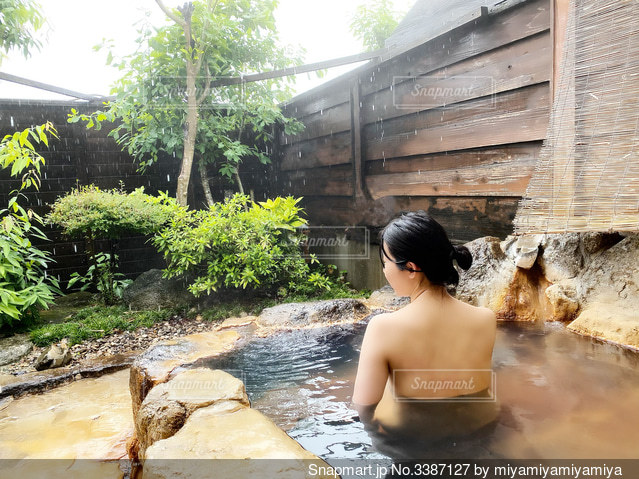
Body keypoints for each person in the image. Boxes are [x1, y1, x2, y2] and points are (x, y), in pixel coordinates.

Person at [352, 211, 498, 456]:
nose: (385, 270)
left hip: (410, 444)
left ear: (410, 268)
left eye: (386, 262)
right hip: (479, 431)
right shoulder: (485, 318)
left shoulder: (383, 328)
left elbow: (364, 406)